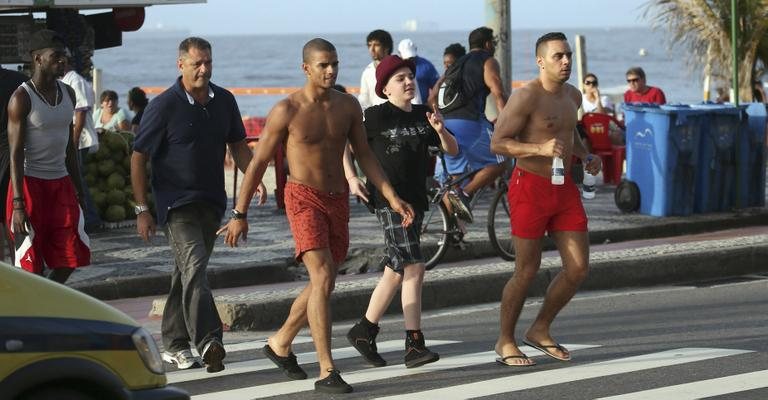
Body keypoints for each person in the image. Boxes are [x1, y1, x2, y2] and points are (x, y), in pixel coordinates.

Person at [219, 38, 414, 394]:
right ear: (306, 68)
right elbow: (258, 161)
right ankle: (327, 369)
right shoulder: (287, 110)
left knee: (323, 282)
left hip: (337, 199)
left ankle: (280, 342)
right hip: (301, 197)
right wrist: (239, 212)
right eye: (323, 65)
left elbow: (364, 154)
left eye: (335, 64)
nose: (331, 70)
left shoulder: (349, 106)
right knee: (323, 276)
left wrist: (392, 196)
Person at [131, 37, 266, 374]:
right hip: (175, 205)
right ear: (181, 65)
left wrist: (254, 177)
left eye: (208, 62)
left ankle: (175, 344)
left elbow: (238, 145)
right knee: (194, 268)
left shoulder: (225, 101)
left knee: (187, 273)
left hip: (211, 203)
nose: (204, 69)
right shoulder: (163, 106)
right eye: (196, 63)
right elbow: (138, 157)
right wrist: (142, 209)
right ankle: (209, 340)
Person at [490, 32, 601, 367]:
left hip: (563, 187)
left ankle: (540, 328)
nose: (566, 61)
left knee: (578, 268)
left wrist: (585, 155)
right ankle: (505, 340)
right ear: (540, 61)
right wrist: (537, 148)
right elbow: (498, 142)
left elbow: (570, 136)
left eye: (568, 55)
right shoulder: (526, 98)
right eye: (558, 56)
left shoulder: (574, 96)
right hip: (529, 187)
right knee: (526, 270)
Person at [344, 55, 458, 369]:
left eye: (410, 76)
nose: (408, 82)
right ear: (385, 88)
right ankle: (414, 343)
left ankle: (364, 330)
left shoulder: (424, 114)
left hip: (416, 201)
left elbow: (453, 149)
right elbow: (344, 143)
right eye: (400, 79)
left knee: (397, 269)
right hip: (387, 201)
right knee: (414, 266)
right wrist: (352, 178)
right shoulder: (375, 117)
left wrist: (440, 130)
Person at [6, 29, 90, 284]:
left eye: (64, 57)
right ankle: (32, 312)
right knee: (30, 265)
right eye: (55, 56)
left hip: (61, 185)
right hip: (29, 186)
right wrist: (18, 204)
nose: (62, 61)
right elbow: (15, 154)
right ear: (38, 59)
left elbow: (69, 149)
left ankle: (47, 294)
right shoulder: (21, 98)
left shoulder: (69, 93)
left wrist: (79, 188)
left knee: (71, 256)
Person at [441, 26, 508, 223]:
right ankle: (467, 193)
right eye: (493, 43)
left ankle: (452, 230)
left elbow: (435, 92)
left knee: (455, 179)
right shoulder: (488, 60)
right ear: (488, 44)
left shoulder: (456, 63)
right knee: (501, 162)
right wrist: (508, 123)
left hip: (445, 125)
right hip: (469, 122)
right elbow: (498, 92)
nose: (494, 46)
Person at [60, 52, 102, 231]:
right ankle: (83, 217)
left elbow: (81, 113)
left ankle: (91, 218)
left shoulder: (75, 80)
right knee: (74, 179)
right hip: (73, 139)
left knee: (77, 180)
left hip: (80, 140)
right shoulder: (66, 80)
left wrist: (74, 141)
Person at [1, 64, 29, 262]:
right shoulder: (20, 82)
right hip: (16, 163)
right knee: (16, 232)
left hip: (11, 160)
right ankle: (22, 278)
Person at [359, 30, 422, 110]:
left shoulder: (401, 68)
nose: (372, 49)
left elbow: (416, 99)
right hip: (377, 117)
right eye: (369, 45)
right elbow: (364, 101)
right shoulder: (367, 72)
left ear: (386, 47)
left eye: (376, 45)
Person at [398, 38, 440, 104]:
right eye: (407, 57)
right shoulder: (396, 68)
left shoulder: (427, 66)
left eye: (411, 57)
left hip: (422, 107)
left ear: (416, 50)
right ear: (399, 53)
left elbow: (437, 87)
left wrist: (431, 102)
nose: (409, 59)